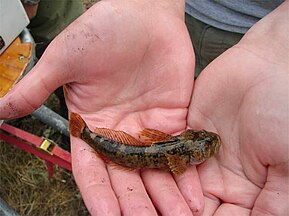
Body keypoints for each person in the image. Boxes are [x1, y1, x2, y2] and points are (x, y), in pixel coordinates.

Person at [1, 0, 288, 215]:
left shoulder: (179, 150)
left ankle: (87, 135)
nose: (212, 144)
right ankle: (85, 134)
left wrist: (280, 47)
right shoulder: (180, 156)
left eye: (207, 143)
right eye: (207, 144)